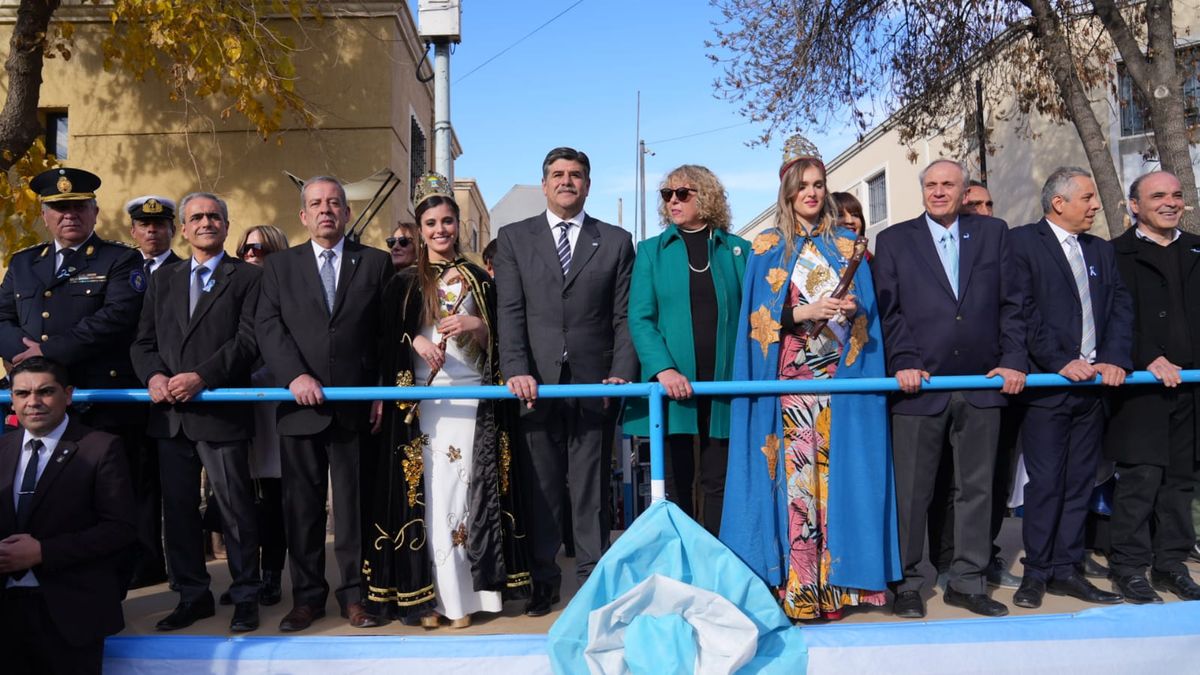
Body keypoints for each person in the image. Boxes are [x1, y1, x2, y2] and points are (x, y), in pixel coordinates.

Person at [721, 136, 900, 621]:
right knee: (800, 490)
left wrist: (851, 307)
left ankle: (841, 588)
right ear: (787, 192)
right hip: (792, 386)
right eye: (803, 186)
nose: (813, 193)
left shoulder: (847, 244)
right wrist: (805, 310)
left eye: (819, 185)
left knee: (838, 484)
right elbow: (758, 320)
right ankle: (802, 590)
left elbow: (869, 319)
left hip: (840, 384)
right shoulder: (766, 247)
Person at [364, 173, 530, 628]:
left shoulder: (481, 280)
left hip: (473, 401)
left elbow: (504, 338)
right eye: (431, 223)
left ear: (458, 225)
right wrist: (414, 342)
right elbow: (383, 341)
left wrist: (476, 327)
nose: (440, 230)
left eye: (448, 221)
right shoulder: (402, 283)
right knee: (431, 500)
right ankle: (431, 600)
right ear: (420, 230)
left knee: (469, 495)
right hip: (424, 404)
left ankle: (468, 600)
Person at [872, 158, 1026, 619]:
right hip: (919, 387)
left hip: (981, 384)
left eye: (948, 185)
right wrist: (904, 362)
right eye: (932, 185)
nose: (939, 192)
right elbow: (889, 312)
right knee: (912, 491)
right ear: (923, 191)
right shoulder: (895, 240)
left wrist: (1013, 360)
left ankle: (968, 579)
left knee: (977, 488)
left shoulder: (994, 233)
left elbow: (1013, 304)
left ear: (963, 192)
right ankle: (909, 581)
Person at [0, 168, 161, 589]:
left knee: (109, 502)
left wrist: (46, 354)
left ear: (94, 211)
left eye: (78, 207)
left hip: (101, 403)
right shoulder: (23, 263)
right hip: (35, 401)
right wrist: (25, 360)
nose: (69, 215)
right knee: (37, 497)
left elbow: (118, 317)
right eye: (59, 208)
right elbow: (2, 315)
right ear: (45, 215)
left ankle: (117, 587)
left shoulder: (119, 259)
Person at [494, 147, 638, 617]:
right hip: (533, 386)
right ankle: (544, 581)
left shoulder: (616, 241)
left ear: (588, 184)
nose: (566, 182)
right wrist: (515, 368)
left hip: (594, 385)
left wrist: (621, 371)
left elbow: (623, 317)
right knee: (542, 487)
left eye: (576, 175)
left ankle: (593, 583)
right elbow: (510, 312)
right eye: (557, 174)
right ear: (544, 184)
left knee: (591, 488)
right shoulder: (514, 238)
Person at [255, 176, 393, 631]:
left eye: (334, 203)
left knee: (352, 510)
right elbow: (268, 327)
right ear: (303, 215)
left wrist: (378, 389)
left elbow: (385, 334)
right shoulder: (280, 267)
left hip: (356, 406)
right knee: (302, 510)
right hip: (300, 408)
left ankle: (354, 596)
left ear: (347, 213)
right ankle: (308, 598)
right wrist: (294, 375)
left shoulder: (375, 263)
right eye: (316, 204)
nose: (326, 210)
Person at [130, 192, 264, 633]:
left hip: (219, 412)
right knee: (179, 511)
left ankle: (246, 594)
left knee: (235, 508)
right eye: (196, 217)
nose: (205, 222)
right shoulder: (162, 280)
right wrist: (152, 377)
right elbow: (143, 342)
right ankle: (192, 595)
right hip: (169, 417)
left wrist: (201, 377)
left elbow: (247, 341)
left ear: (225, 226)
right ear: (183, 229)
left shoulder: (246, 277)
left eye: (213, 216)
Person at [1008, 166, 1132, 609]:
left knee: (1080, 482)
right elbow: (1022, 311)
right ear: (1059, 202)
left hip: (1092, 392)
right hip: (1049, 389)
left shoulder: (1100, 249)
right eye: (1087, 198)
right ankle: (1037, 571)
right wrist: (1062, 361)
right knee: (1045, 484)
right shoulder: (1023, 242)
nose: (1095, 206)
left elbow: (1118, 306)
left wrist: (1115, 358)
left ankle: (1067, 569)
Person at [625, 164, 748, 534]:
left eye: (683, 193)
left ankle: (718, 562)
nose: (673, 201)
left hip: (725, 387)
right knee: (675, 483)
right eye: (667, 195)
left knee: (719, 482)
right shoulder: (651, 252)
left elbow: (754, 314)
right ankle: (679, 565)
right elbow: (640, 318)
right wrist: (664, 369)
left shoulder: (738, 250)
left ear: (706, 196)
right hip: (673, 389)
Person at [0, 357, 136, 675]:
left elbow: (120, 530)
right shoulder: (2, 449)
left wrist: (42, 552)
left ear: (69, 394)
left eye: (45, 391)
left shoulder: (101, 448)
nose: (33, 402)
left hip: (70, 613)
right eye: (22, 394)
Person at [1105, 170, 1200, 603]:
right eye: (1158, 195)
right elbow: (1112, 319)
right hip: (1140, 389)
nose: (1170, 202)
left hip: (1190, 389)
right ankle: (1128, 566)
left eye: (1177, 195)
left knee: (1179, 482)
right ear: (1135, 205)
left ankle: (1171, 564)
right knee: (1140, 479)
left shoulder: (1197, 248)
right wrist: (1145, 358)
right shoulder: (1114, 254)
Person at [230, 224, 290, 607]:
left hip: (270, 404)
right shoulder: (233, 287)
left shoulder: (286, 291)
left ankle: (271, 575)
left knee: (272, 499)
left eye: (262, 249)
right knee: (236, 498)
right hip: (232, 402)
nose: (253, 255)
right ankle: (244, 576)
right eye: (246, 250)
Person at [127, 195, 181, 277]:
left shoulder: (185, 270)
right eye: (144, 225)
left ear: (173, 230)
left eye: (159, 224)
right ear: (133, 231)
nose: (152, 230)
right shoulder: (123, 269)